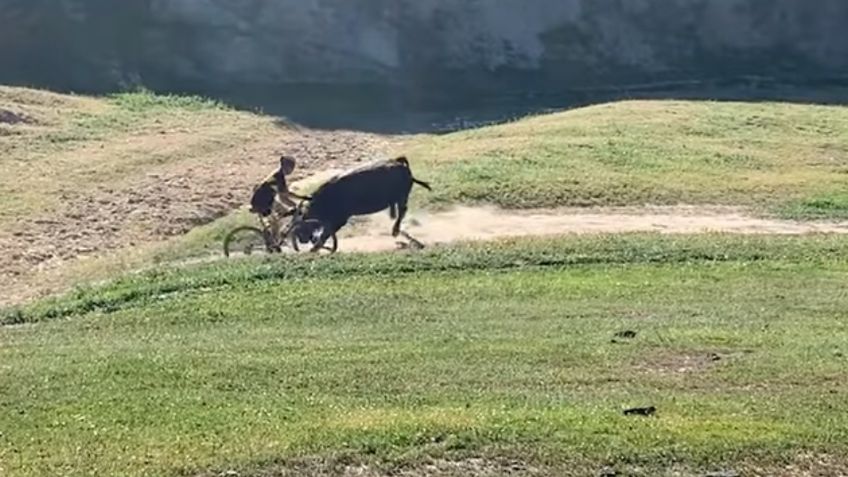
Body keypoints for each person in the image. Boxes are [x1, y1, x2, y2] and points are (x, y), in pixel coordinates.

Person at [249, 155, 311, 245]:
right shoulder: (278, 176)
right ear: (286, 166)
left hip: (268, 199)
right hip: (262, 202)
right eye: (292, 167)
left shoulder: (279, 174)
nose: (292, 170)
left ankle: (276, 240)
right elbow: (285, 194)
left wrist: (294, 205)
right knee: (276, 223)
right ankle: (272, 244)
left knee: (281, 217)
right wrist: (302, 197)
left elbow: (282, 197)